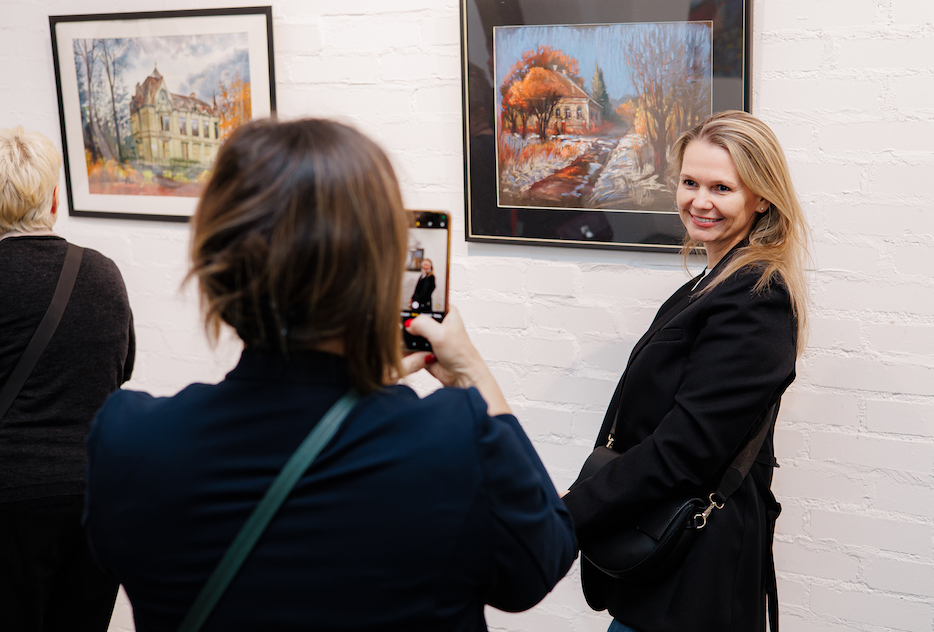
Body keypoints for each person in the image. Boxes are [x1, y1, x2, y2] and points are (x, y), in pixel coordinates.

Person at [84, 118, 576, 632]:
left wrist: (356, 392)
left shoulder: (126, 440)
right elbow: (544, 557)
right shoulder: (457, 441)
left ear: (216, 263)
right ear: (381, 270)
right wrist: (471, 371)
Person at [562, 111, 808, 632]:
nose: (699, 201)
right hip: (664, 577)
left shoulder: (755, 300)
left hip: (693, 584)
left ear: (761, 198)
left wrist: (572, 510)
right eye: (690, 182)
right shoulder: (713, 283)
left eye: (722, 188)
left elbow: (683, 450)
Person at [0, 126, 135, 631]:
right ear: (55, 200)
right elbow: (120, 371)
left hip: (10, 499)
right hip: (95, 495)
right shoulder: (104, 273)